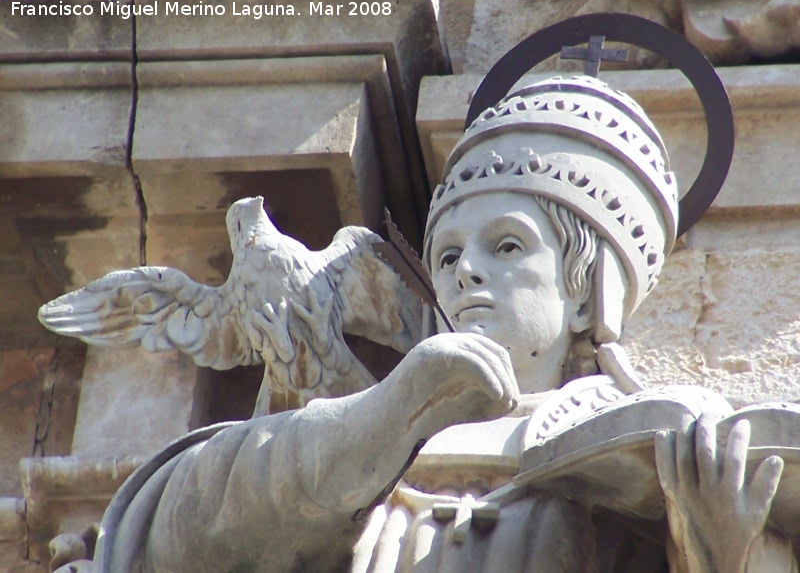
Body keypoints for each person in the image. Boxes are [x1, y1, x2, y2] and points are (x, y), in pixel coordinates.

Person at [54, 75, 794, 572]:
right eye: (447, 254)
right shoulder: (367, 431)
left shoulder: (645, 447)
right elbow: (165, 534)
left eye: (507, 246)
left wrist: (719, 548)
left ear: (585, 292)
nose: (465, 271)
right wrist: (395, 407)